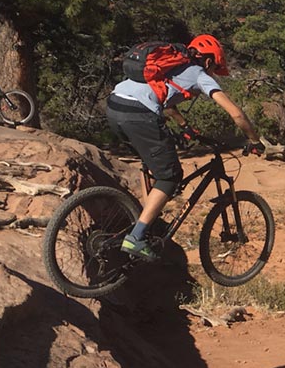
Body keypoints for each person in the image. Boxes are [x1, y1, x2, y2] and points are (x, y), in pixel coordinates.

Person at [106, 34, 265, 260]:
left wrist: (185, 126)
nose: (212, 73)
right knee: (170, 177)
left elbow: (167, 101)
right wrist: (254, 140)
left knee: (150, 162)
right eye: (214, 68)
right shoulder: (199, 74)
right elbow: (236, 113)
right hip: (139, 116)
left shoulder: (169, 65)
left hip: (114, 105)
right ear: (208, 61)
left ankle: (144, 221)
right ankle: (136, 237)